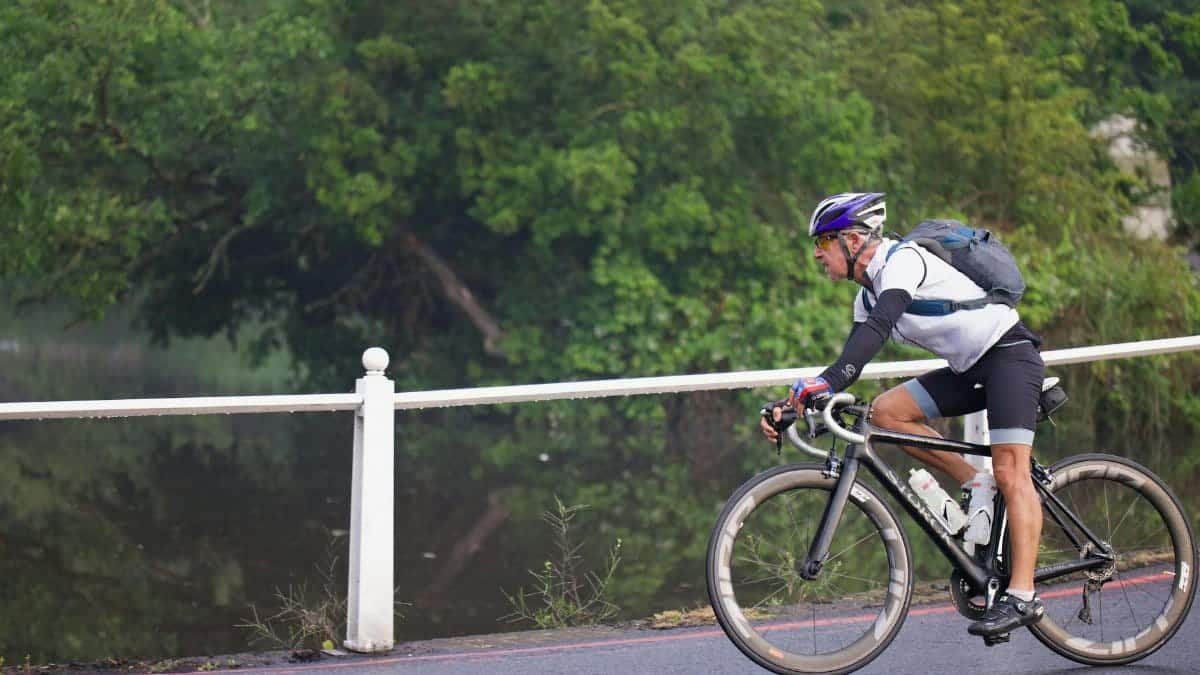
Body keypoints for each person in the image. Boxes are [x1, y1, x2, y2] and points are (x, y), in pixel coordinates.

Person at [759, 192, 1046, 638]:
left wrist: (825, 384)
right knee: (886, 414)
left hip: (1009, 358)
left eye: (824, 242)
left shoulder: (902, 262)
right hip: (969, 370)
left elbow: (873, 336)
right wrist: (792, 405)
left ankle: (1023, 596)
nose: (817, 252)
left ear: (853, 240)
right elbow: (850, 363)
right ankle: (975, 481)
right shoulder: (866, 296)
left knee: (1012, 472)